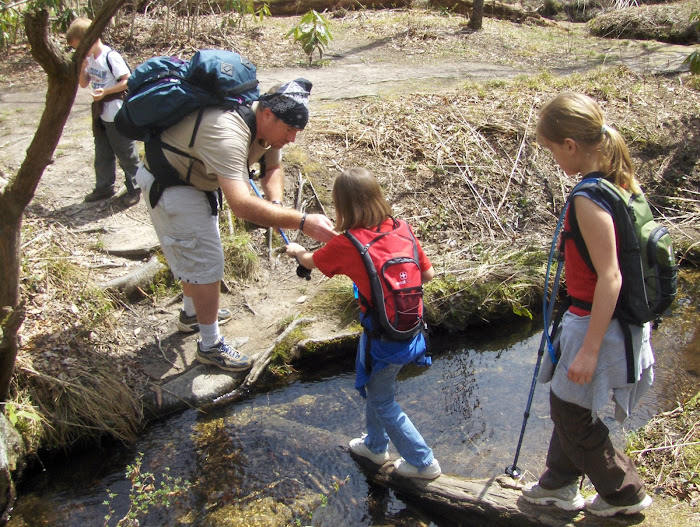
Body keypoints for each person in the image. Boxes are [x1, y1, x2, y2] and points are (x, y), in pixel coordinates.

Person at [134, 78, 335, 372]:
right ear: (267, 113)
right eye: (289, 130)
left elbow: (273, 167)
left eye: (297, 131)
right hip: (172, 185)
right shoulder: (227, 132)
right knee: (206, 264)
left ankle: (192, 314)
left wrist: (275, 205)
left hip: (198, 181)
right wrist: (302, 222)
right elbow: (241, 206)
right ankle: (210, 346)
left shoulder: (269, 128)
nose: (292, 139)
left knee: (199, 255)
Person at [521, 92, 654, 517]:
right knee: (570, 404)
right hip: (615, 319)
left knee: (570, 412)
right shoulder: (620, 182)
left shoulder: (587, 197)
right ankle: (558, 484)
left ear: (570, 145)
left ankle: (623, 494)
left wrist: (591, 350)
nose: (554, 159)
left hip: (597, 322)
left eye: (551, 150)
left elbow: (610, 276)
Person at [285, 167, 441, 479]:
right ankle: (374, 445)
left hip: (381, 336)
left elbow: (311, 262)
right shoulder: (403, 229)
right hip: (409, 330)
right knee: (375, 388)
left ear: (342, 206)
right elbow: (427, 275)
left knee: (383, 399)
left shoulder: (349, 244)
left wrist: (297, 250)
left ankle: (424, 463)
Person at [66, 17, 141, 206]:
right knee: (102, 152)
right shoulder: (90, 59)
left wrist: (106, 92)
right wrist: (81, 68)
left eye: (79, 47)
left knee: (125, 152)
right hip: (100, 113)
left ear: (90, 39)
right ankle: (104, 187)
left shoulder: (110, 56)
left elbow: (127, 80)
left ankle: (136, 187)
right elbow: (83, 84)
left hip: (115, 112)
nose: (78, 52)